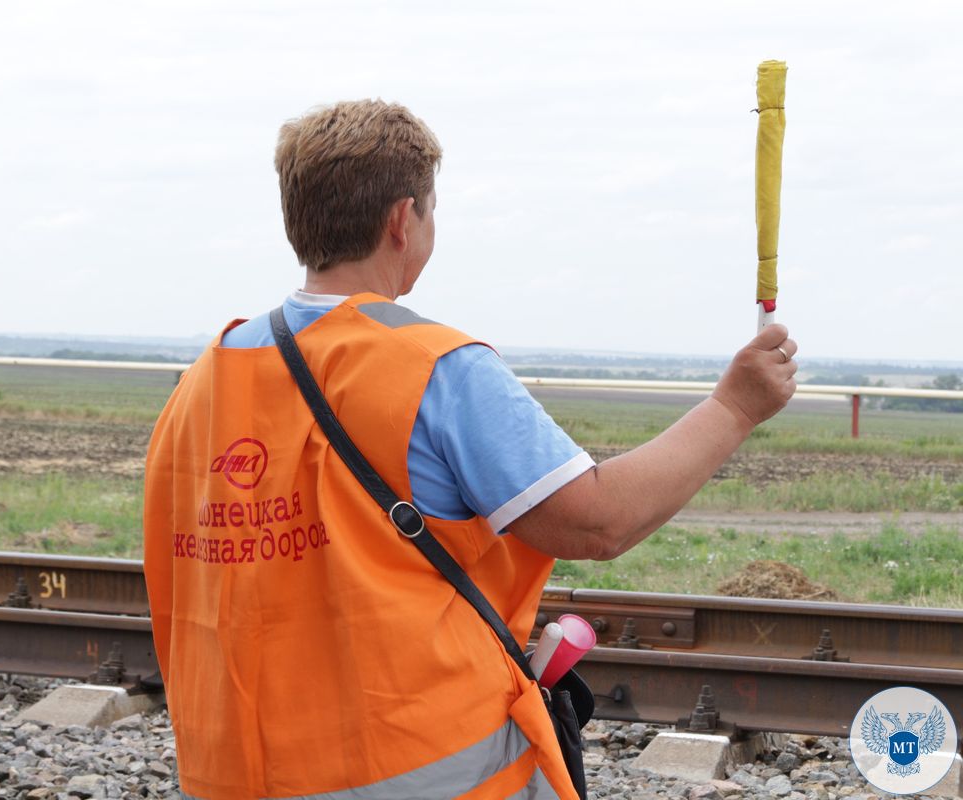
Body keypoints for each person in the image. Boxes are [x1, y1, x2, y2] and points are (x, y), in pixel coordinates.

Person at [143, 99, 797, 800]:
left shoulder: (204, 380)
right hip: (415, 765)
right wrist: (734, 408)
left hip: (229, 771)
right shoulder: (433, 366)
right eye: (431, 210)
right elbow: (597, 520)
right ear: (404, 220)